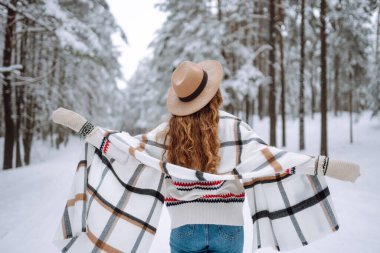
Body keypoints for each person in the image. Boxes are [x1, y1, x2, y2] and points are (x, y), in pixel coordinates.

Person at [51, 59, 361, 253]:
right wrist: (323, 165)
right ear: (214, 94)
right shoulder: (235, 128)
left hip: (184, 229)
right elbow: (271, 159)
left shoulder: (165, 134)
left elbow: (128, 149)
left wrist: (86, 128)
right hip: (230, 229)